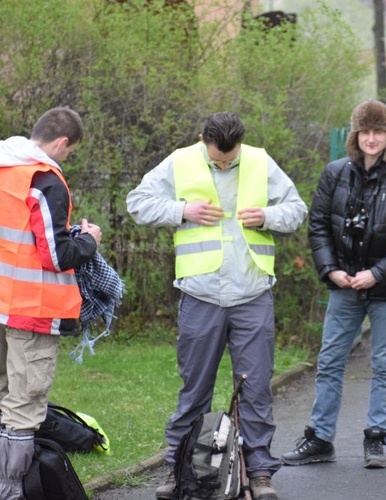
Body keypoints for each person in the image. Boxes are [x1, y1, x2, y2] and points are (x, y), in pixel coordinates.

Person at [126, 111, 307, 500]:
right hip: (201, 295)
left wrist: (268, 216)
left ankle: (260, 474)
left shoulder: (260, 161)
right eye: (217, 160)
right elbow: (137, 203)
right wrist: (181, 211)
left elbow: (296, 210)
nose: (224, 164)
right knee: (194, 391)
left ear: (240, 142)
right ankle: (180, 472)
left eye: (230, 159)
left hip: (252, 294)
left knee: (256, 390)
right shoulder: (180, 161)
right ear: (202, 139)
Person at [281, 100, 386, 469]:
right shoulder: (335, 173)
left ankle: (376, 438)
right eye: (365, 131)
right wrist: (330, 270)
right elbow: (318, 226)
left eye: (379, 131)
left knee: (384, 364)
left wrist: (377, 273)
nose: (372, 138)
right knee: (330, 360)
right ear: (356, 135)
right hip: (344, 285)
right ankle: (319, 438)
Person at [0, 107, 102, 499]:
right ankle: (10, 491)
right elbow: (56, 256)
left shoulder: (6, 166)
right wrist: (90, 240)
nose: (66, 158)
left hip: (4, 302)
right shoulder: (43, 179)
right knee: (24, 406)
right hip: (32, 310)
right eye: (70, 152)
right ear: (62, 142)